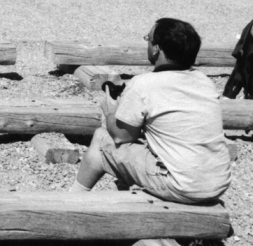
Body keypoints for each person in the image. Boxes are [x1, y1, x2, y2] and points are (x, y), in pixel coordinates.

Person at [73, 17, 231, 204]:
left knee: (101, 139)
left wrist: (110, 111)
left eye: (148, 39)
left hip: (183, 186)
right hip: (218, 183)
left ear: (156, 49)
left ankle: (70, 200)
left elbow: (121, 137)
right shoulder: (204, 81)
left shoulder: (144, 84)